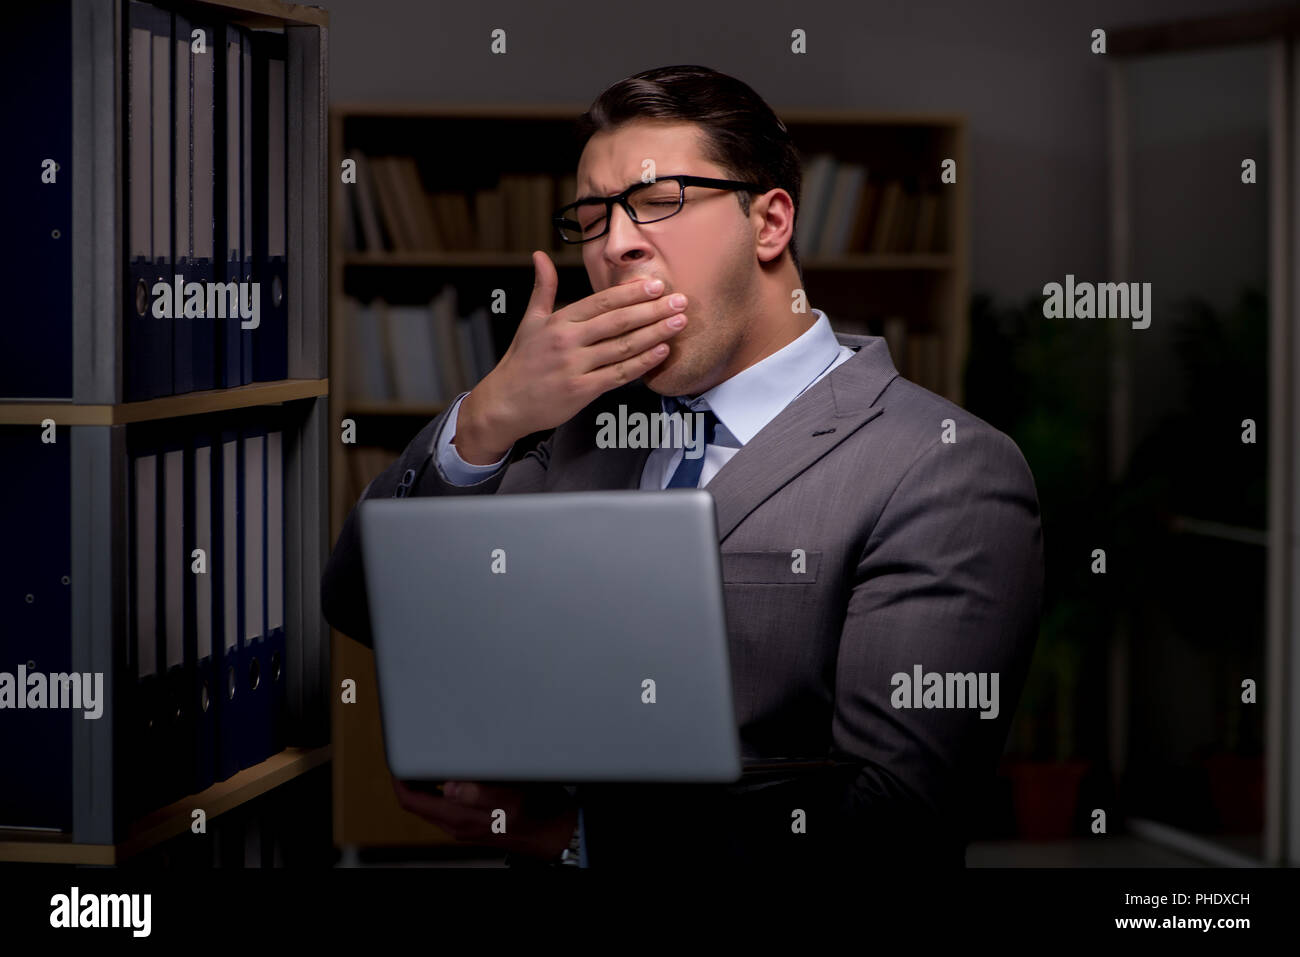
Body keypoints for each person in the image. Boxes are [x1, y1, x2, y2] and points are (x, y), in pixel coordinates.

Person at [321, 64, 1044, 869]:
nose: (616, 241)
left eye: (658, 199)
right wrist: (487, 417)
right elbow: (360, 601)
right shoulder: (558, 428)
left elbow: (896, 820)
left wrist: (567, 835)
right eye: (592, 216)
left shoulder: (944, 467)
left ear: (769, 223)